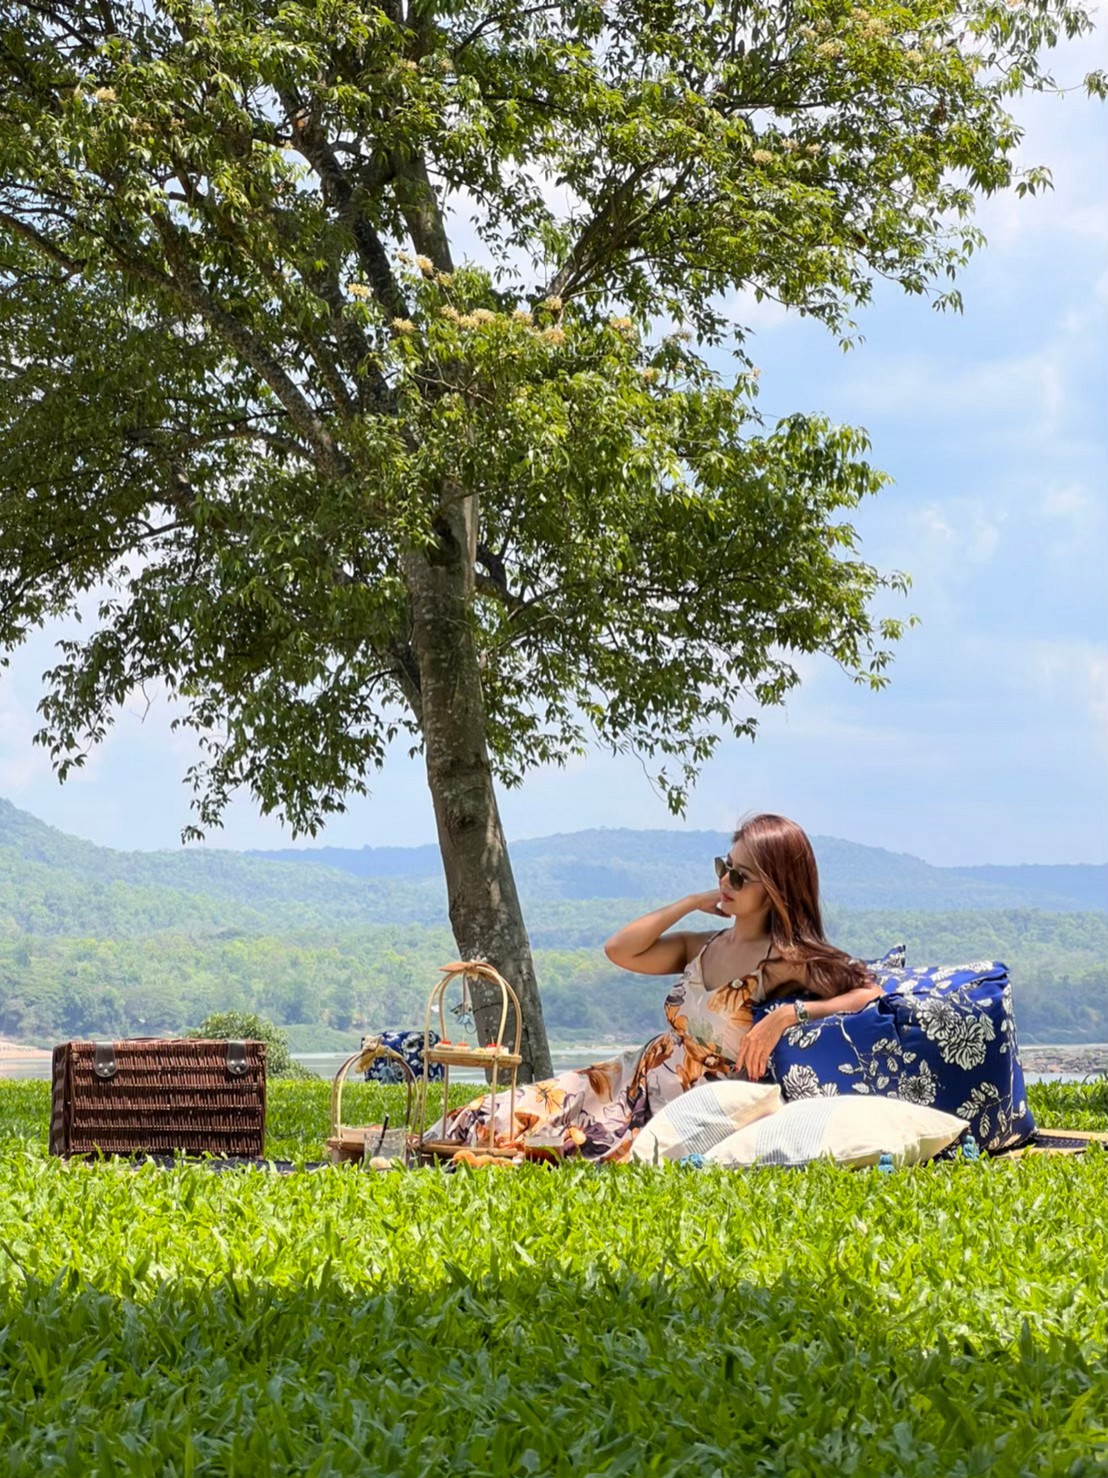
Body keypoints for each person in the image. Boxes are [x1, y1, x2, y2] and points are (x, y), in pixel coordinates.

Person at [442, 813, 882, 1162]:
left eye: (740, 877)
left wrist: (791, 1014)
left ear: (775, 889)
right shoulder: (702, 945)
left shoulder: (786, 961)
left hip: (679, 1106)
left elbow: (868, 992)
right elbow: (620, 950)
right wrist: (690, 903)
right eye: (723, 868)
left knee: (547, 1143)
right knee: (493, 1113)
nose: (725, 882)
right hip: (624, 1078)